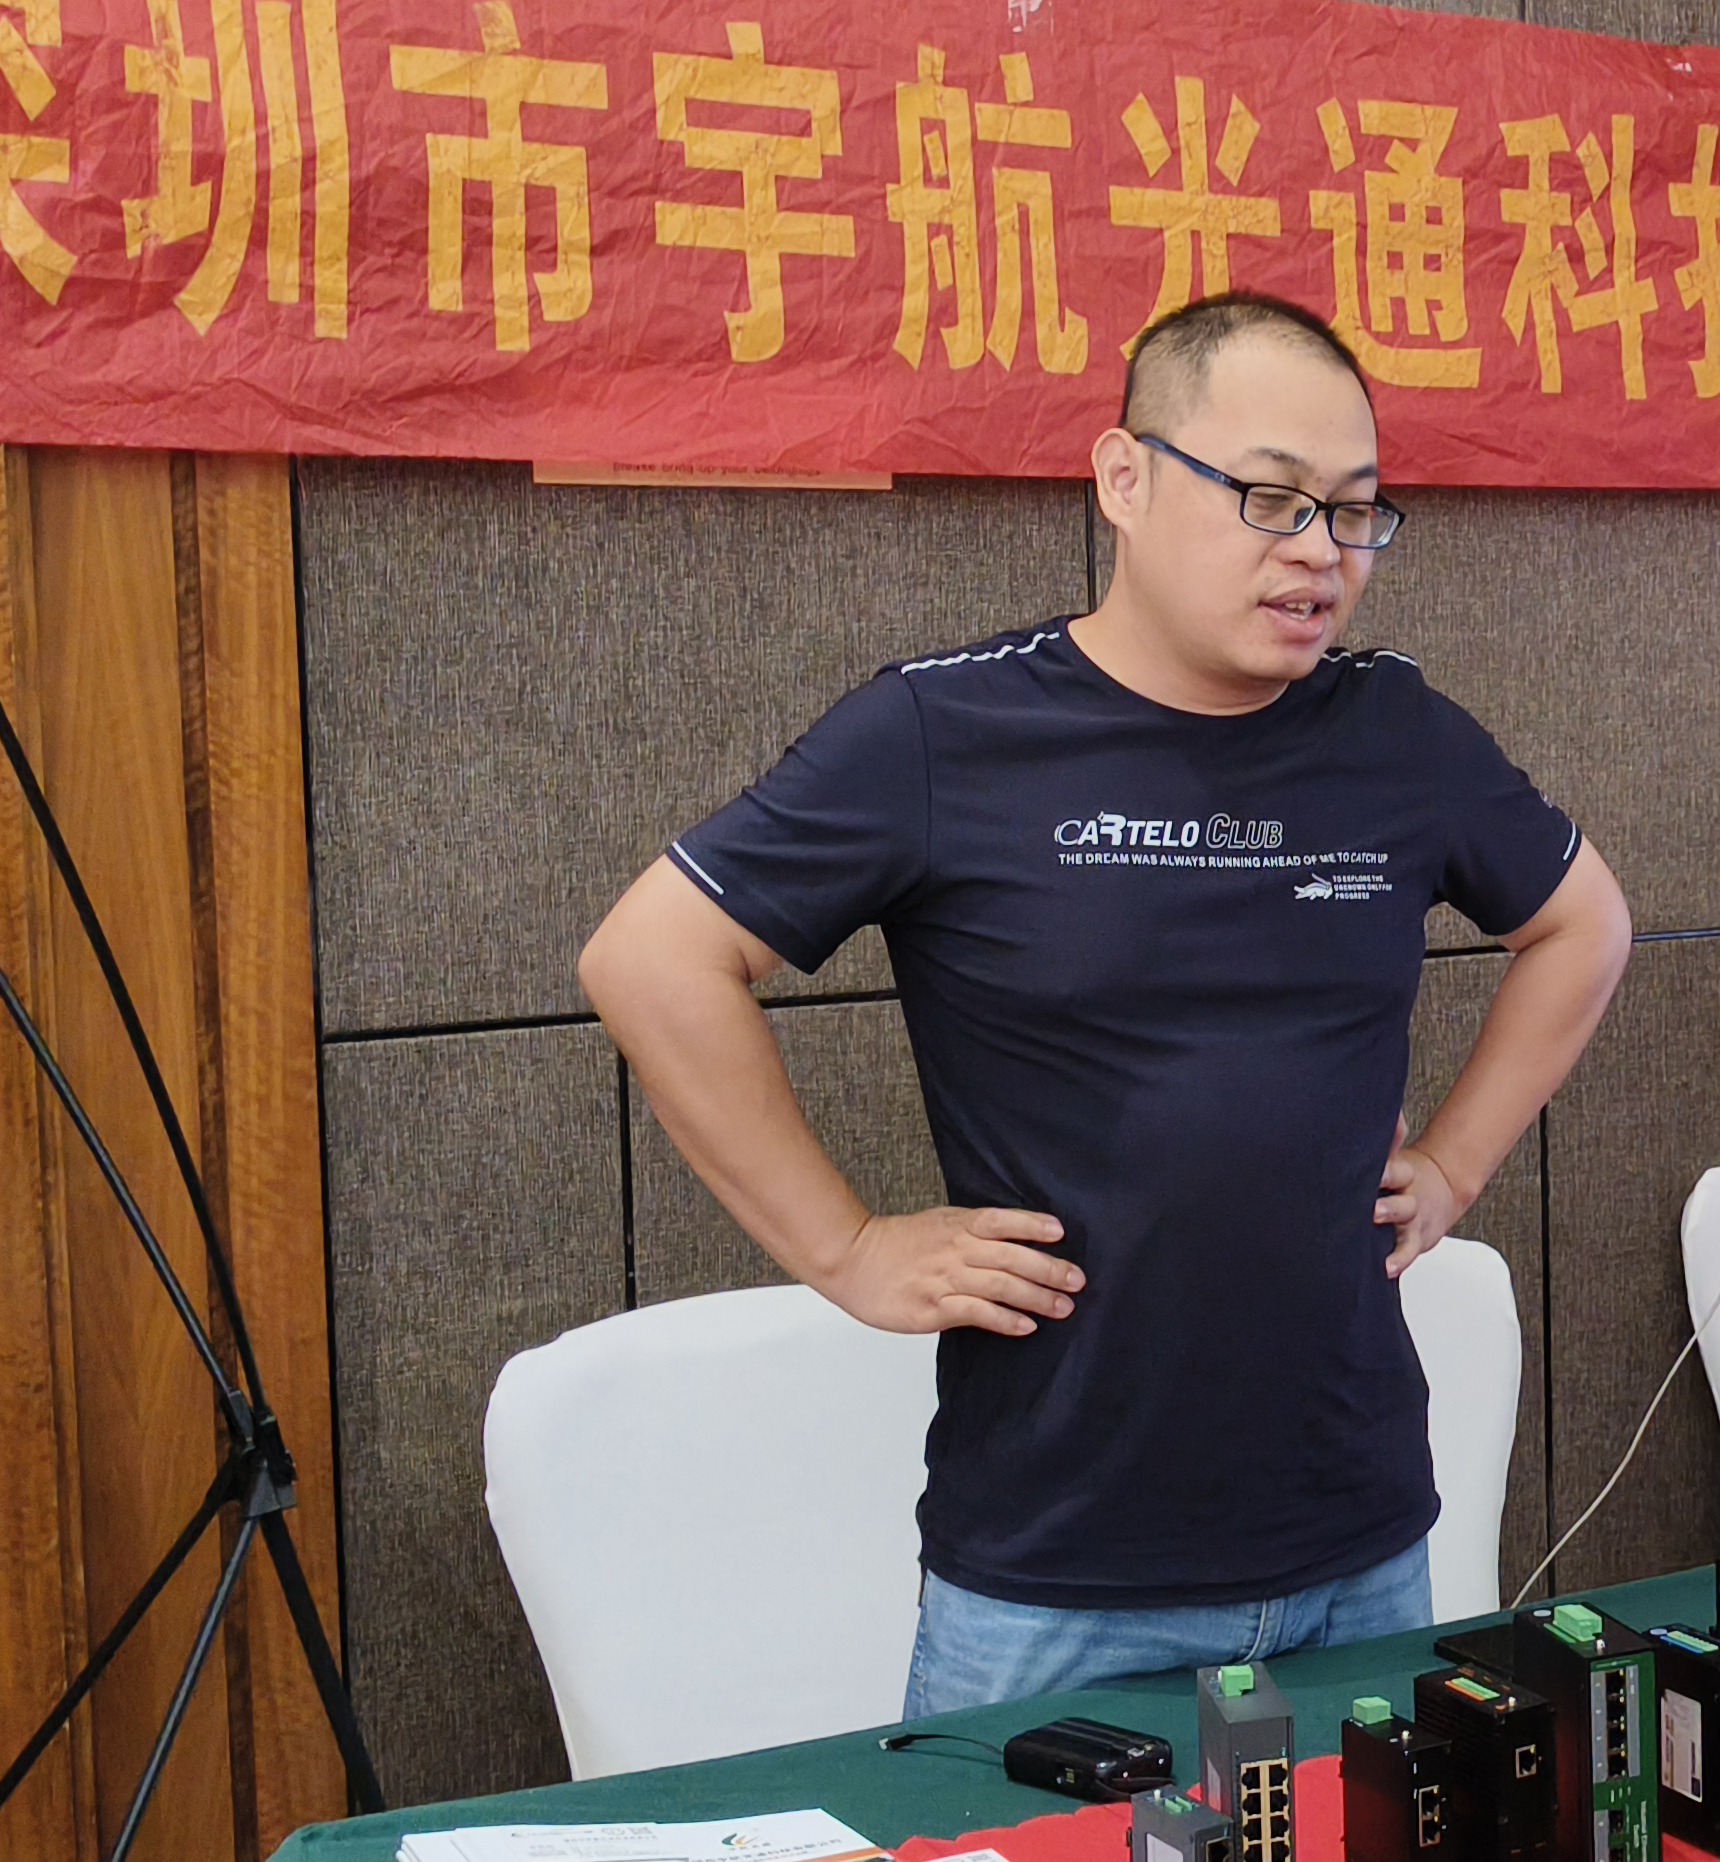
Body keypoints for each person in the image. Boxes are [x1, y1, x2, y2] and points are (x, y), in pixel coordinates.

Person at [579, 291, 1633, 1716]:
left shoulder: (1397, 735)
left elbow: (1583, 924)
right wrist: (846, 1249)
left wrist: (1451, 1166)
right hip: (1055, 1578)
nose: (1319, 551)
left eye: (1355, 511)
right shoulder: (947, 731)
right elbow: (652, 960)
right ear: (1124, 480)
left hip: (1357, 1540)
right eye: (1271, 499)